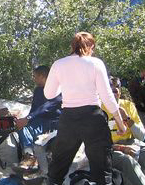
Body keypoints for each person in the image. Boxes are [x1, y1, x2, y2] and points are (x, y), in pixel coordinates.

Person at [44, 32, 127, 185]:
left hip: (68, 119)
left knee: (58, 167)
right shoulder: (95, 63)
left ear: (72, 46)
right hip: (93, 119)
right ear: (91, 46)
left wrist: (66, 84)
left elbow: (49, 94)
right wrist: (120, 124)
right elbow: (107, 96)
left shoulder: (59, 64)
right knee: (101, 169)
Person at [12, 65, 62, 173]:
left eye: (35, 76)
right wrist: (25, 120)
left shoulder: (58, 89)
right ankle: (29, 157)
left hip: (56, 123)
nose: (33, 79)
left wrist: (28, 118)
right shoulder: (38, 90)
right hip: (40, 122)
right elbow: (34, 108)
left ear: (42, 76)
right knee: (23, 128)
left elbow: (47, 107)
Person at [102, 76, 145, 185]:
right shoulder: (99, 108)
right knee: (127, 161)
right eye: (111, 87)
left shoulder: (128, 105)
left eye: (117, 87)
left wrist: (127, 118)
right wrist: (121, 148)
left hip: (132, 143)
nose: (115, 90)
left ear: (120, 91)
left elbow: (142, 136)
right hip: (110, 148)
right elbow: (94, 142)